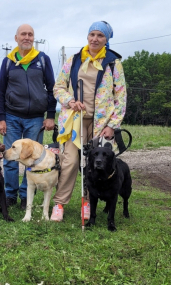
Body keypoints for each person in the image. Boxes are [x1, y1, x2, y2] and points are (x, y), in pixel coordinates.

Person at [51, 21, 127, 221]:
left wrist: (113, 125)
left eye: (100, 36)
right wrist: (70, 100)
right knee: (70, 161)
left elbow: (121, 96)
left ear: (106, 39)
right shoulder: (74, 59)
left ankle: (88, 201)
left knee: (96, 163)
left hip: (101, 124)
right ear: (87, 36)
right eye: (92, 34)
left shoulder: (113, 63)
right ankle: (59, 203)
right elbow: (58, 87)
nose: (95, 39)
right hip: (74, 121)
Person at [0, 24, 57, 210]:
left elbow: (52, 88)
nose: (27, 37)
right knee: (10, 158)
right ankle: (9, 195)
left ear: (33, 38)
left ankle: (25, 195)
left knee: (31, 159)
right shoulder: (8, 61)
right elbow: (0, 91)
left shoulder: (42, 60)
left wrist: (50, 116)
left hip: (36, 119)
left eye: (30, 34)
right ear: (16, 38)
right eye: (23, 34)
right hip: (12, 116)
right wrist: (1, 118)